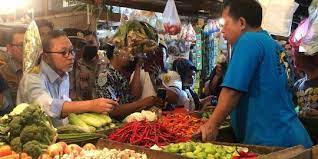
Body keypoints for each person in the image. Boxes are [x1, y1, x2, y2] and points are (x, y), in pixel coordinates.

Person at [198, 0, 312, 148]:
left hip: (274, 143)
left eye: (225, 24)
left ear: (241, 23)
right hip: (292, 138)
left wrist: (211, 125)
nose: (222, 31)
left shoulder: (248, 41)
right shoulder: (273, 45)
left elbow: (232, 91)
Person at [17, 30, 118, 126]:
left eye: (71, 51)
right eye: (63, 53)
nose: (71, 56)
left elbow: (65, 107)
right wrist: (91, 105)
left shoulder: (64, 74)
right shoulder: (32, 78)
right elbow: (47, 106)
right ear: (45, 56)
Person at [95, 46, 163, 119]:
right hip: (112, 125)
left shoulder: (120, 75)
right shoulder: (104, 75)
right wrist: (142, 103)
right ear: (116, 53)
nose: (130, 53)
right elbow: (111, 110)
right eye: (126, 49)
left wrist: (138, 66)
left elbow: (133, 97)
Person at [0, 29, 25, 105]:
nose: (27, 49)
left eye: (29, 44)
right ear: (9, 48)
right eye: (21, 45)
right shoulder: (2, 73)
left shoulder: (37, 70)